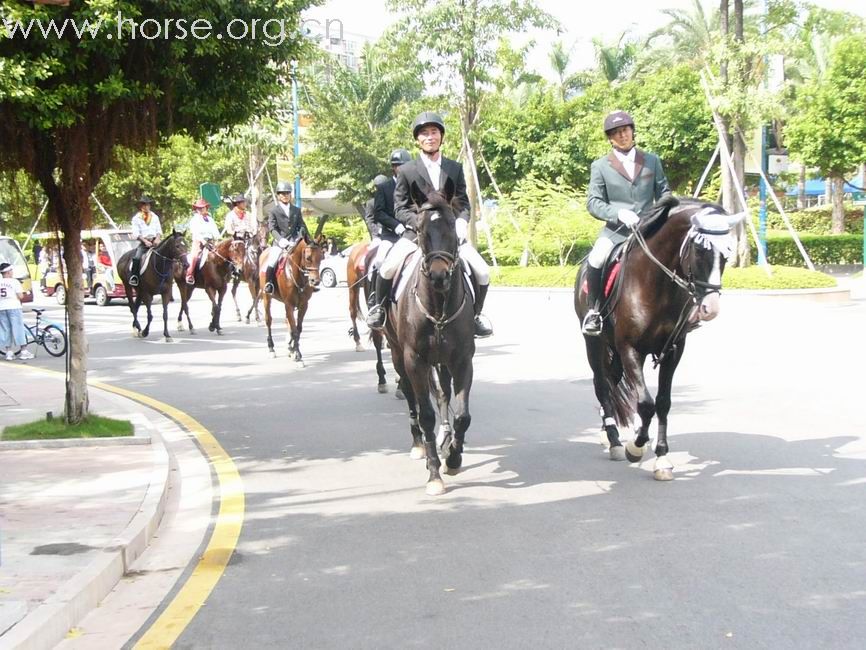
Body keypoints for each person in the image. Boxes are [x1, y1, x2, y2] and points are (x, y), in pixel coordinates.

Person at [366, 112, 493, 338]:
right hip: (416, 234)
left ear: (441, 136)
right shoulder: (407, 171)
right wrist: (419, 223)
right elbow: (400, 207)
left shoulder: (454, 168)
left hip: (448, 237)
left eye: (434, 132)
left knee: (482, 271)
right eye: (424, 133)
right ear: (418, 139)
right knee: (386, 267)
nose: (429, 137)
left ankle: (476, 316)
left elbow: (463, 203)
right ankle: (380, 311)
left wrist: (462, 221)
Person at [582, 110, 672, 336]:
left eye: (625, 130)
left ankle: (684, 309)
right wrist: (619, 213)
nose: (622, 135)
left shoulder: (651, 161)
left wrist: (656, 213)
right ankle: (594, 311)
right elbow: (593, 202)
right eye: (616, 133)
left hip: (650, 230)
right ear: (610, 138)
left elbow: (664, 193)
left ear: (632, 131)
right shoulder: (600, 166)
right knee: (597, 257)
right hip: (617, 232)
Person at [366, 150, 411, 307]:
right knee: (379, 261)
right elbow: (378, 213)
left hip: (412, 235)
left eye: (405, 166)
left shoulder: (415, 186)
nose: (402, 169)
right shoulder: (384, 188)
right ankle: (376, 299)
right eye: (399, 166)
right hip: (390, 236)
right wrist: (395, 225)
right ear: (393, 167)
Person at [263, 181, 312, 295]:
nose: (285, 196)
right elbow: (272, 228)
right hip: (280, 242)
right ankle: (269, 283)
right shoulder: (273, 211)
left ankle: (310, 283)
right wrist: (280, 240)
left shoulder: (296, 210)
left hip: (295, 241)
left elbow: (302, 225)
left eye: (287, 193)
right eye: (282, 193)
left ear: (290, 195)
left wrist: (301, 236)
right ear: (278, 195)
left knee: (309, 258)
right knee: (272, 260)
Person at [0, 261, 35, 361]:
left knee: (5, 329)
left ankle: (9, 352)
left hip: (2, 307)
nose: (12, 272)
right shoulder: (14, 282)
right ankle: (23, 351)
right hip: (14, 306)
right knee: (18, 328)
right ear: (7, 272)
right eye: (11, 270)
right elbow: (20, 296)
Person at [185, 198, 221, 285]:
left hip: (211, 241)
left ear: (206, 208)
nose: (201, 210)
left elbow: (215, 231)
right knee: (194, 256)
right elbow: (195, 232)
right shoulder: (194, 219)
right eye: (199, 208)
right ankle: (190, 274)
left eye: (202, 208)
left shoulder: (210, 219)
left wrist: (217, 239)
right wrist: (203, 241)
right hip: (199, 242)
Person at [129, 195, 162, 287]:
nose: (146, 206)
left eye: (147, 205)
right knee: (137, 258)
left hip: (156, 241)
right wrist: (145, 241)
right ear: (140, 206)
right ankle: (134, 276)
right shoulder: (136, 218)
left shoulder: (155, 217)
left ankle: (169, 278)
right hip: (144, 243)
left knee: (166, 255)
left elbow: (159, 230)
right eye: (144, 205)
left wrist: (157, 239)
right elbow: (136, 233)